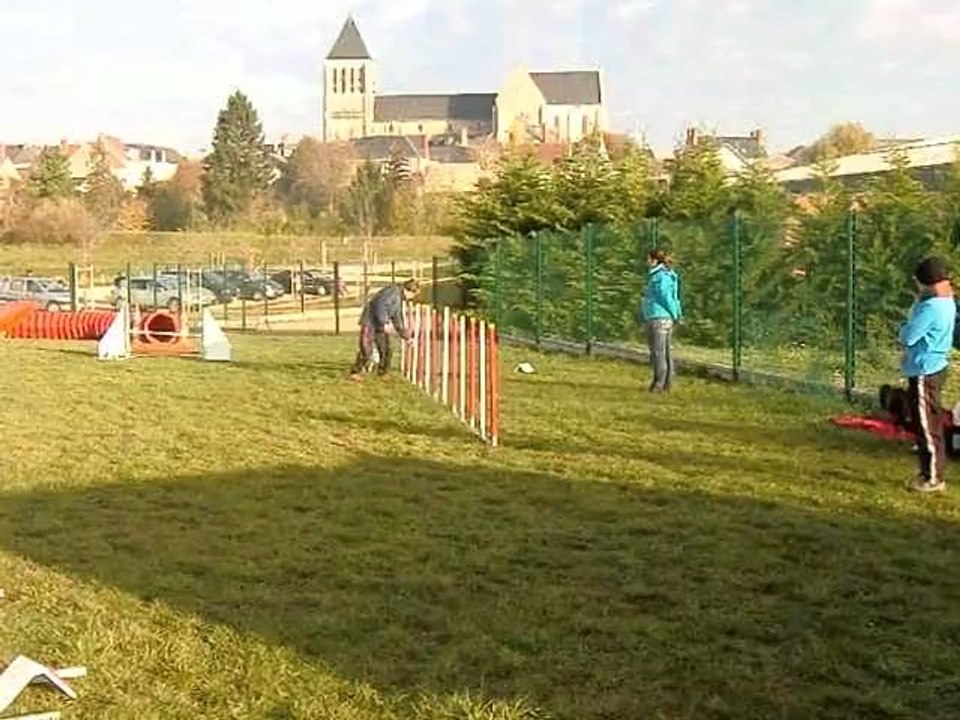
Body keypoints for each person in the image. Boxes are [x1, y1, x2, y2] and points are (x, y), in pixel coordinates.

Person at [899, 256, 956, 493]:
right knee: (928, 423)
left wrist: (903, 327)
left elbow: (908, 337)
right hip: (936, 366)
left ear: (924, 283)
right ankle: (930, 472)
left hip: (924, 370)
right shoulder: (947, 301)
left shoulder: (930, 307)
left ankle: (932, 477)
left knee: (926, 426)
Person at [350, 278, 420, 380]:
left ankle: (382, 373)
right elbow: (380, 305)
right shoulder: (392, 292)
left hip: (380, 325)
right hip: (370, 322)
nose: (412, 298)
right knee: (366, 349)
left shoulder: (398, 298)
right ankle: (355, 372)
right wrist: (384, 322)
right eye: (414, 295)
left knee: (386, 350)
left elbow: (397, 319)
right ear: (409, 290)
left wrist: (406, 336)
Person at [639, 249, 682, 392]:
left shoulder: (659, 276)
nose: (647, 262)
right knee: (664, 351)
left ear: (654, 260)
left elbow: (665, 296)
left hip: (658, 317)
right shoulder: (666, 275)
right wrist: (676, 314)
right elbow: (674, 297)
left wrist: (674, 314)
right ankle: (667, 383)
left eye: (649, 259)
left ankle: (659, 383)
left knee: (658, 352)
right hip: (663, 317)